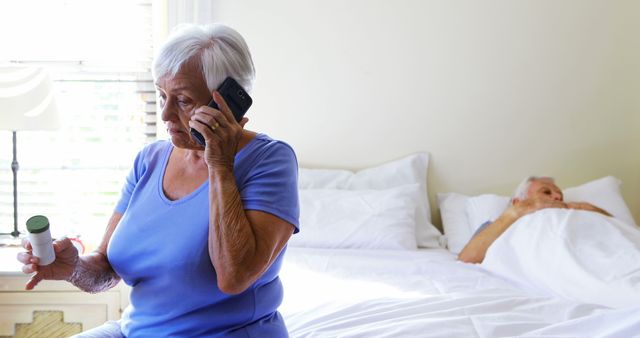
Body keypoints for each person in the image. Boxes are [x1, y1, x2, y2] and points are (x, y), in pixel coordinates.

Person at [17, 23, 299, 337]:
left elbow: (234, 278)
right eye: (162, 94)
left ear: (228, 105)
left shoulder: (271, 161)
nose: (164, 114)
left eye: (183, 100)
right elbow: (107, 269)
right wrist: (72, 268)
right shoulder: (149, 160)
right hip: (135, 331)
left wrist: (220, 162)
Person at [458, 176, 610, 264]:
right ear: (518, 202)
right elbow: (467, 258)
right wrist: (515, 213)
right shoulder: (495, 225)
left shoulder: (575, 213)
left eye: (560, 195)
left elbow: (619, 233)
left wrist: (591, 210)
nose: (557, 197)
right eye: (546, 192)